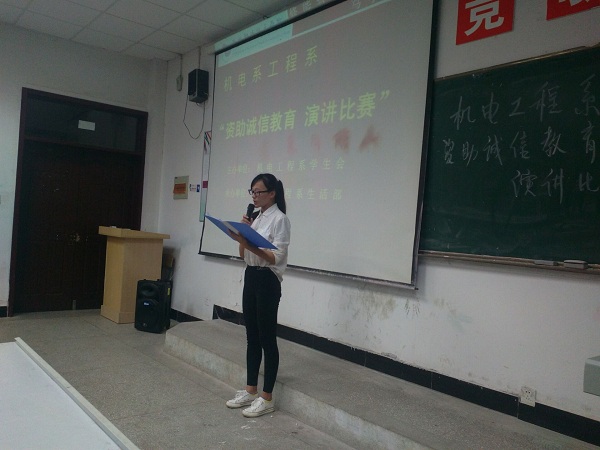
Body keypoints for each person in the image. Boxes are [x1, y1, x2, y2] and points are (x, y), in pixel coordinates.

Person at [225, 173, 291, 418]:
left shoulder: (280, 219)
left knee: (266, 338)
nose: (254, 196)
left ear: (272, 193)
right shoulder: (257, 218)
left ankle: (267, 397)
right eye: (251, 191)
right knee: (251, 335)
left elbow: (275, 257)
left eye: (258, 191)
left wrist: (249, 241)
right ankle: (250, 390)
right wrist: (243, 235)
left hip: (267, 280)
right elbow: (244, 255)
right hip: (251, 275)